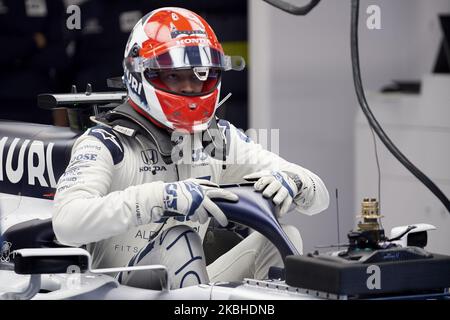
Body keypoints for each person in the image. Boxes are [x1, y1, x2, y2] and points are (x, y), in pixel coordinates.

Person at [52, 7, 330, 290]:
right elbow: (66, 223)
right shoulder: (105, 143)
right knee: (180, 238)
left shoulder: (217, 139)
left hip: (187, 288)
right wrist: (161, 198)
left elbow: (320, 199)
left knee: (284, 235)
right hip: (116, 290)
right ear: (140, 74)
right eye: (174, 76)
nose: (189, 87)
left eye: (200, 75)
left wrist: (296, 182)